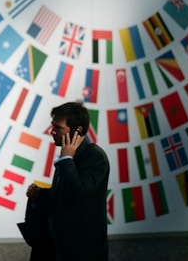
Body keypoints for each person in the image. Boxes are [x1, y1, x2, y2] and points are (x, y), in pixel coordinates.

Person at [24, 101, 110, 261]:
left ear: (78, 130)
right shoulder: (67, 155)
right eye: (52, 126)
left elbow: (78, 193)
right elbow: (63, 195)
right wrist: (40, 195)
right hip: (55, 248)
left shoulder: (95, 157)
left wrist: (66, 159)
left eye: (58, 128)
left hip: (79, 251)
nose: (52, 131)